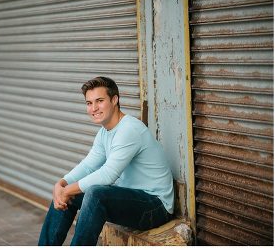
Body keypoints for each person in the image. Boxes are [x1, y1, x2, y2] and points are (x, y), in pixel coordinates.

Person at [37, 76, 174, 246]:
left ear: (114, 99)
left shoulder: (129, 129)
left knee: (96, 194)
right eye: (89, 103)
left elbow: (108, 174)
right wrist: (62, 184)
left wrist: (67, 190)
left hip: (155, 207)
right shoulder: (105, 132)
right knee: (67, 192)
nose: (93, 108)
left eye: (99, 101)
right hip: (131, 200)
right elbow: (88, 166)